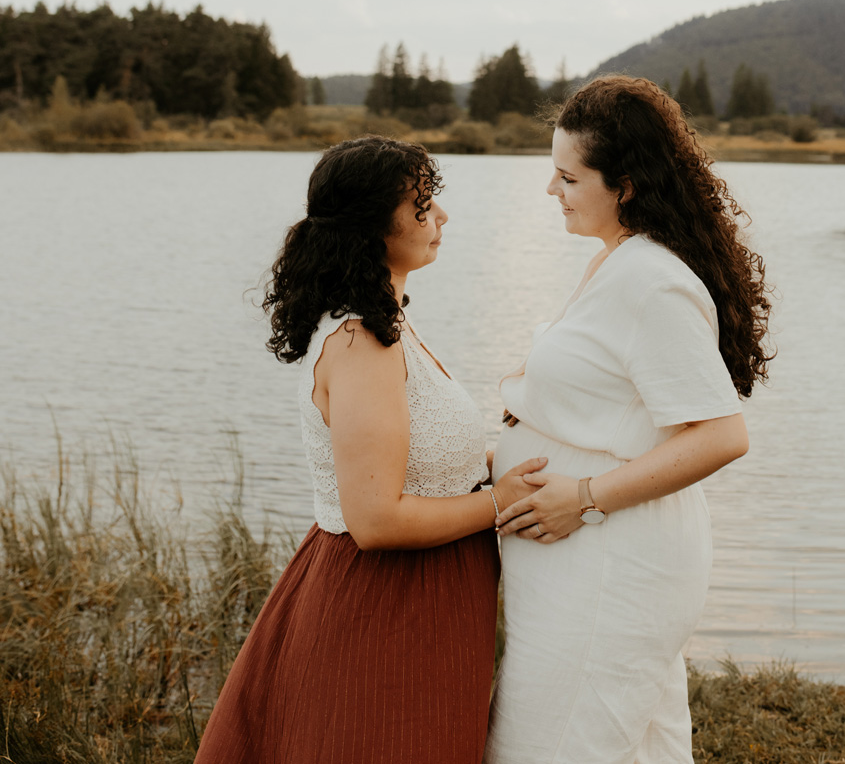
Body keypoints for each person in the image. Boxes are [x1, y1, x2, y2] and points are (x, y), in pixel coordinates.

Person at [195, 135, 546, 764]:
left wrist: (518, 453)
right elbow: (376, 520)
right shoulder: (361, 342)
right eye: (422, 206)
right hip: (383, 608)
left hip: (428, 600)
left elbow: (425, 465)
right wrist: (501, 502)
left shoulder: (388, 323)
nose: (441, 217)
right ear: (371, 227)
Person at [485, 75, 772, 764]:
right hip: (588, 563)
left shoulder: (653, 280)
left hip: (610, 564)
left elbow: (723, 434)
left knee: (546, 748)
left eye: (567, 176)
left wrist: (582, 497)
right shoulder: (617, 260)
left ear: (627, 184)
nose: (550, 190)